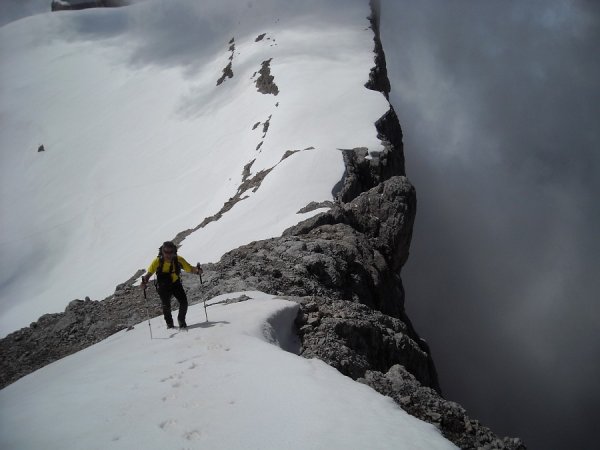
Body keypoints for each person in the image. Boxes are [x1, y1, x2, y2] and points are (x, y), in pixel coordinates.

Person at [141, 241, 202, 329]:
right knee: (166, 306)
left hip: (175, 283)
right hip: (163, 286)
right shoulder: (157, 261)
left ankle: (181, 320)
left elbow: (189, 268)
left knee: (184, 302)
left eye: (170, 252)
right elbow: (148, 274)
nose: (168, 254)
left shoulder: (178, 259)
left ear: (174, 251)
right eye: (166, 252)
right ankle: (169, 324)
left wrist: (197, 271)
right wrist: (144, 282)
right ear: (162, 251)